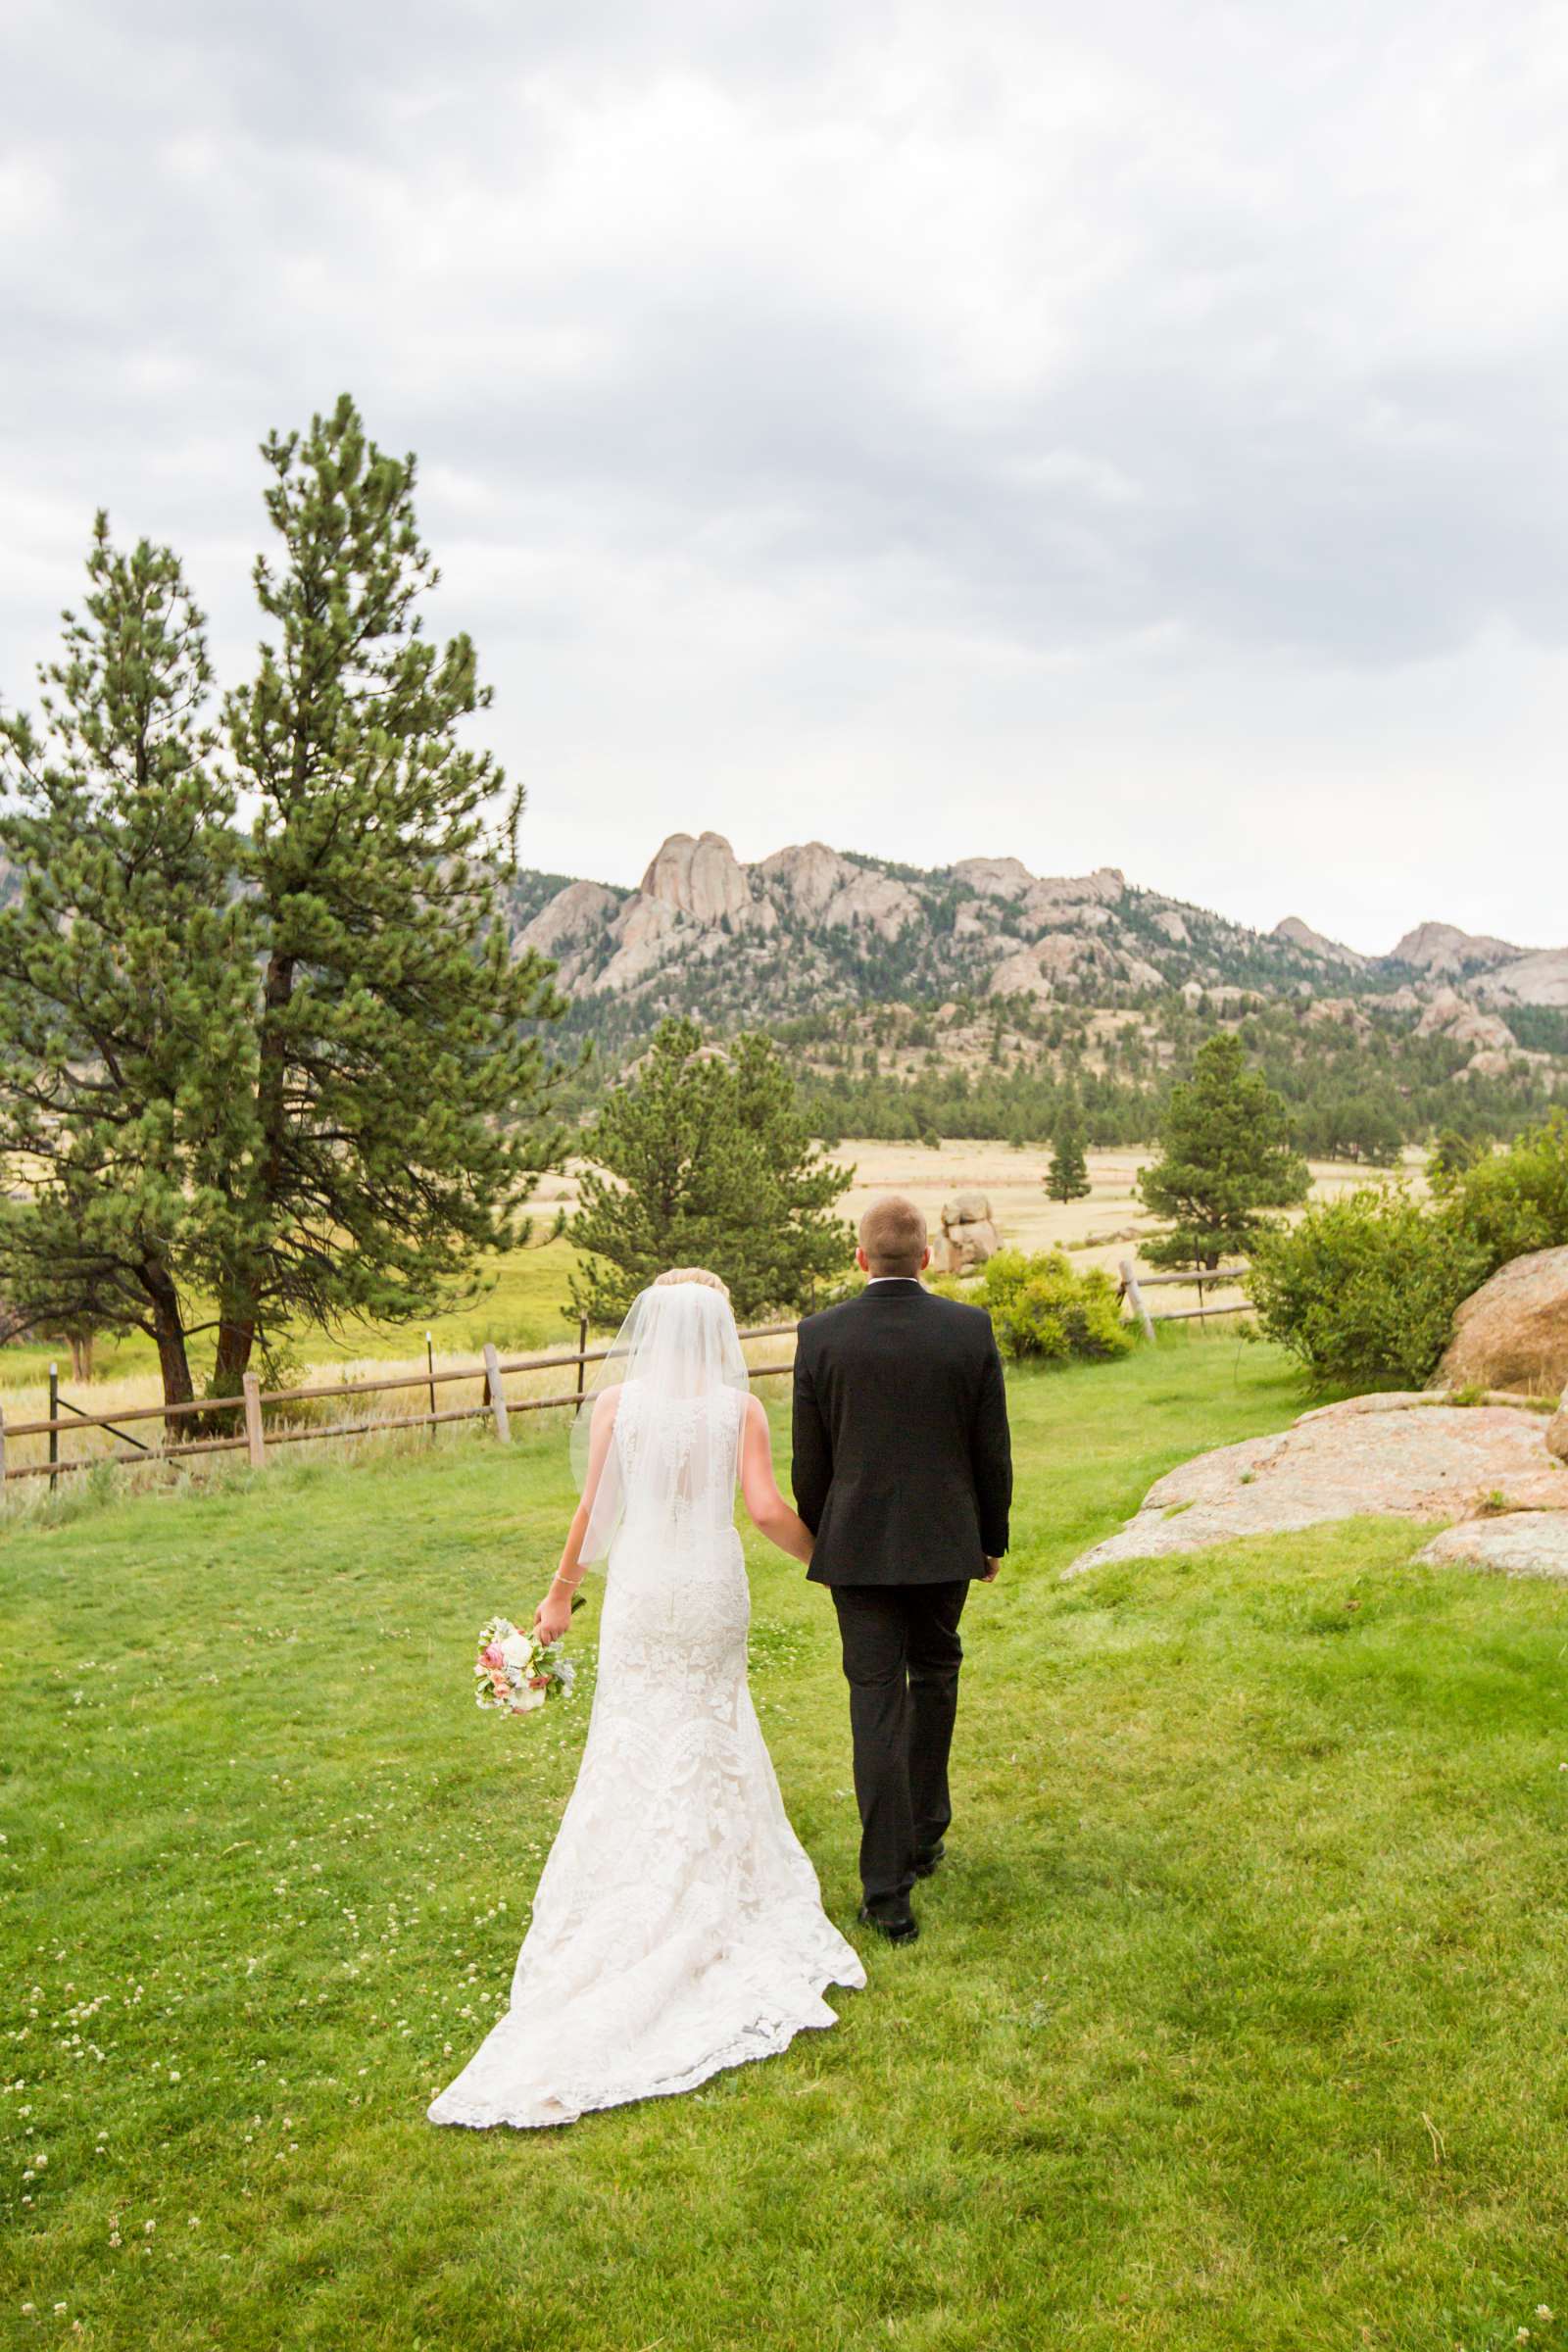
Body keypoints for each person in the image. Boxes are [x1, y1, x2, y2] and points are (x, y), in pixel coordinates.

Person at [428, 1267, 864, 2132]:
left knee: (634, 1732)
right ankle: (711, 1878)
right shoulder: (738, 1411)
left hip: (640, 1590)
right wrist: (831, 1557)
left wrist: (558, 1597)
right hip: (707, 1588)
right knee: (709, 1724)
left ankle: (634, 1878)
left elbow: (595, 1510)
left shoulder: (619, 1404)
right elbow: (767, 1509)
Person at [792, 1195, 1012, 1944]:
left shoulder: (820, 1337)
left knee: (875, 1700)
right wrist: (991, 1537)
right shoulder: (967, 1330)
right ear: (926, 1258)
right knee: (938, 1672)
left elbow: (809, 1463)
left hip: (855, 1548)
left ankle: (887, 1890)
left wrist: (833, 1536)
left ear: (860, 1258)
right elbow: (992, 1450)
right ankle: (924, 1832)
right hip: (946, 1541)